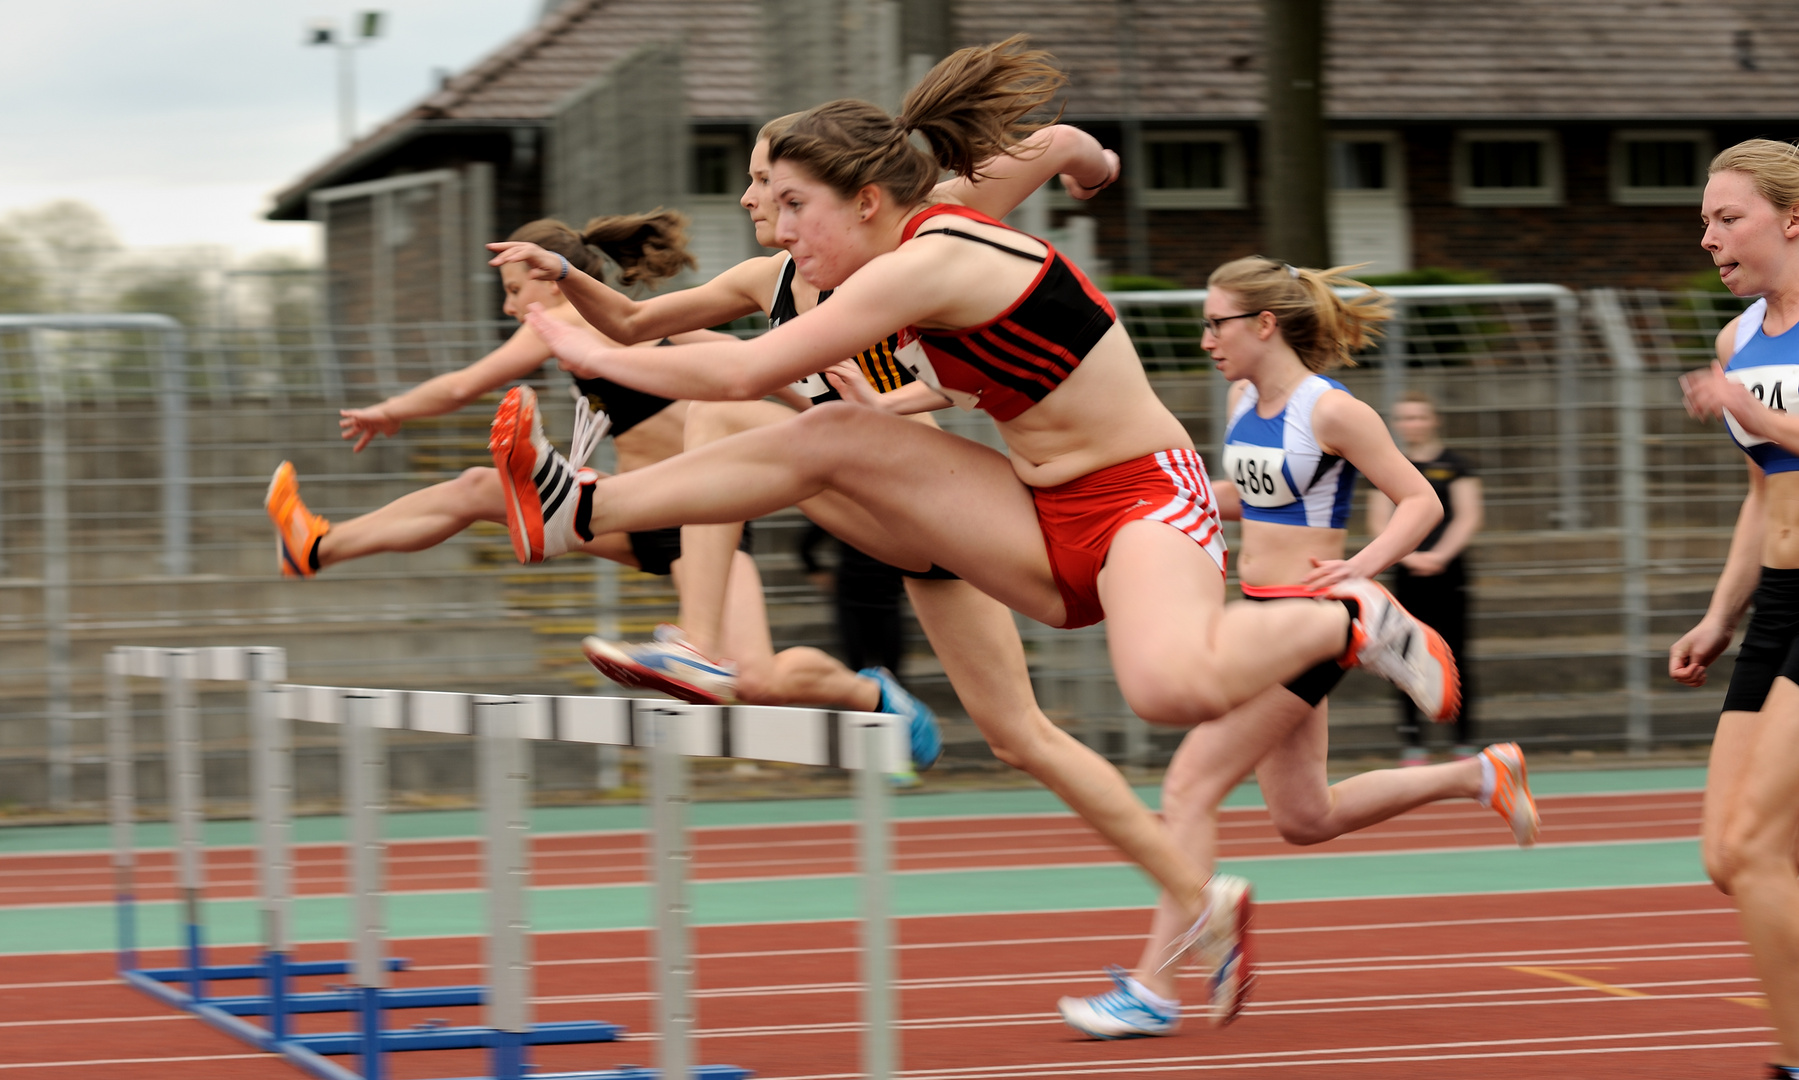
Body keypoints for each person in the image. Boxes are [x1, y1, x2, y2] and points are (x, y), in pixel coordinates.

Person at [494, 36, 1459, 962]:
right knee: (832, 436)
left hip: (1139, 502)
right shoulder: (908, 220)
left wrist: (578, 350)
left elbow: (751, 373)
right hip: (1033, 514)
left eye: (793, 205)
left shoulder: (929, 257)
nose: (777, 227)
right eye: (769, 203)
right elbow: (1057, 144)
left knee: (1171, 690)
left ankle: (1352, 616)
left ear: (867, 201)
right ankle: (584, 511)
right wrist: (1095, 167)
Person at [1055, 257, 1539, 1038]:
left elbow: (1418, 500)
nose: (1204, 336)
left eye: (1216, 322)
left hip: (1306, 622)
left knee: (1187, 786)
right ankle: (1478, 775)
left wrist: (1364, 565)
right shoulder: (1242, 396)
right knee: (1303, 815)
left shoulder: (1331, 411)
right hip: (1255, 616)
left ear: (1263, 325)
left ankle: (1152, 987)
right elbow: (1249, 494)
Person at [262, 216, 931, 768]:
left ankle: (872, 696)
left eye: (514, 287)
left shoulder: (591, 323)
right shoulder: (617, 328)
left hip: (708, 518)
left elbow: (468, 383)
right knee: (475, 489)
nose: (509, 305)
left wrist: (392, 411)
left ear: (551, 279)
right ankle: (317, 544)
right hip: (636, 508)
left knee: (755, 680)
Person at [1670, 137, 1799, 1080]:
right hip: (1779, 602)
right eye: (1704, 222)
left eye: (1726, 218)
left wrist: (1752, 412)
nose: (1708, 238)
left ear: (1791, 219)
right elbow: (1764, 496)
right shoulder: (1736, 341)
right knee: (1727, 855)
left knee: (1758, 845)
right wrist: (1719, 616)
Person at [1368, 390, 1485, 762]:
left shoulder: (1457, 466)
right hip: (1407, 575)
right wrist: (1410, 555)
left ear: (1433, 420)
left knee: (1457, 654)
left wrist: (1438, 556)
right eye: (1405, 418)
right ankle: (1412, 741)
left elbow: (1468, 516)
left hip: (1448, 574)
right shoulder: (1390, 465)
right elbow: (1378, 519)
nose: (1412, 424)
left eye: (1419, 417)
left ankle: (1463, 739)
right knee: (1403, 654)